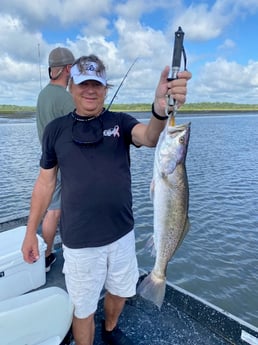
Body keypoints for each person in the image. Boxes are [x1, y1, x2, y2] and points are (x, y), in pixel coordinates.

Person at [22, 54, 191, 345]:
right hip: (79, 243)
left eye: (97, 84)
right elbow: (44, 184)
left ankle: (110, 330)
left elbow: (150, 137)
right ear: (71, 86)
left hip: (122, 236)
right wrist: (29, 233)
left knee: (120, 290)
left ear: (105, 89)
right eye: (83, 83)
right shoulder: (55, 131)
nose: (90, 90)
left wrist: (160, 110)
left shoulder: (120, 123)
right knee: (84, 307)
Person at [36, 47, 75, 272]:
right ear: (68, 68)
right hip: (64, 163)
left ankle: (48, 252)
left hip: (46, 159)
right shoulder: (66, 98)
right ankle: (49, 255)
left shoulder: (43, 94)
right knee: (56, 211)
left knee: (51, 207)